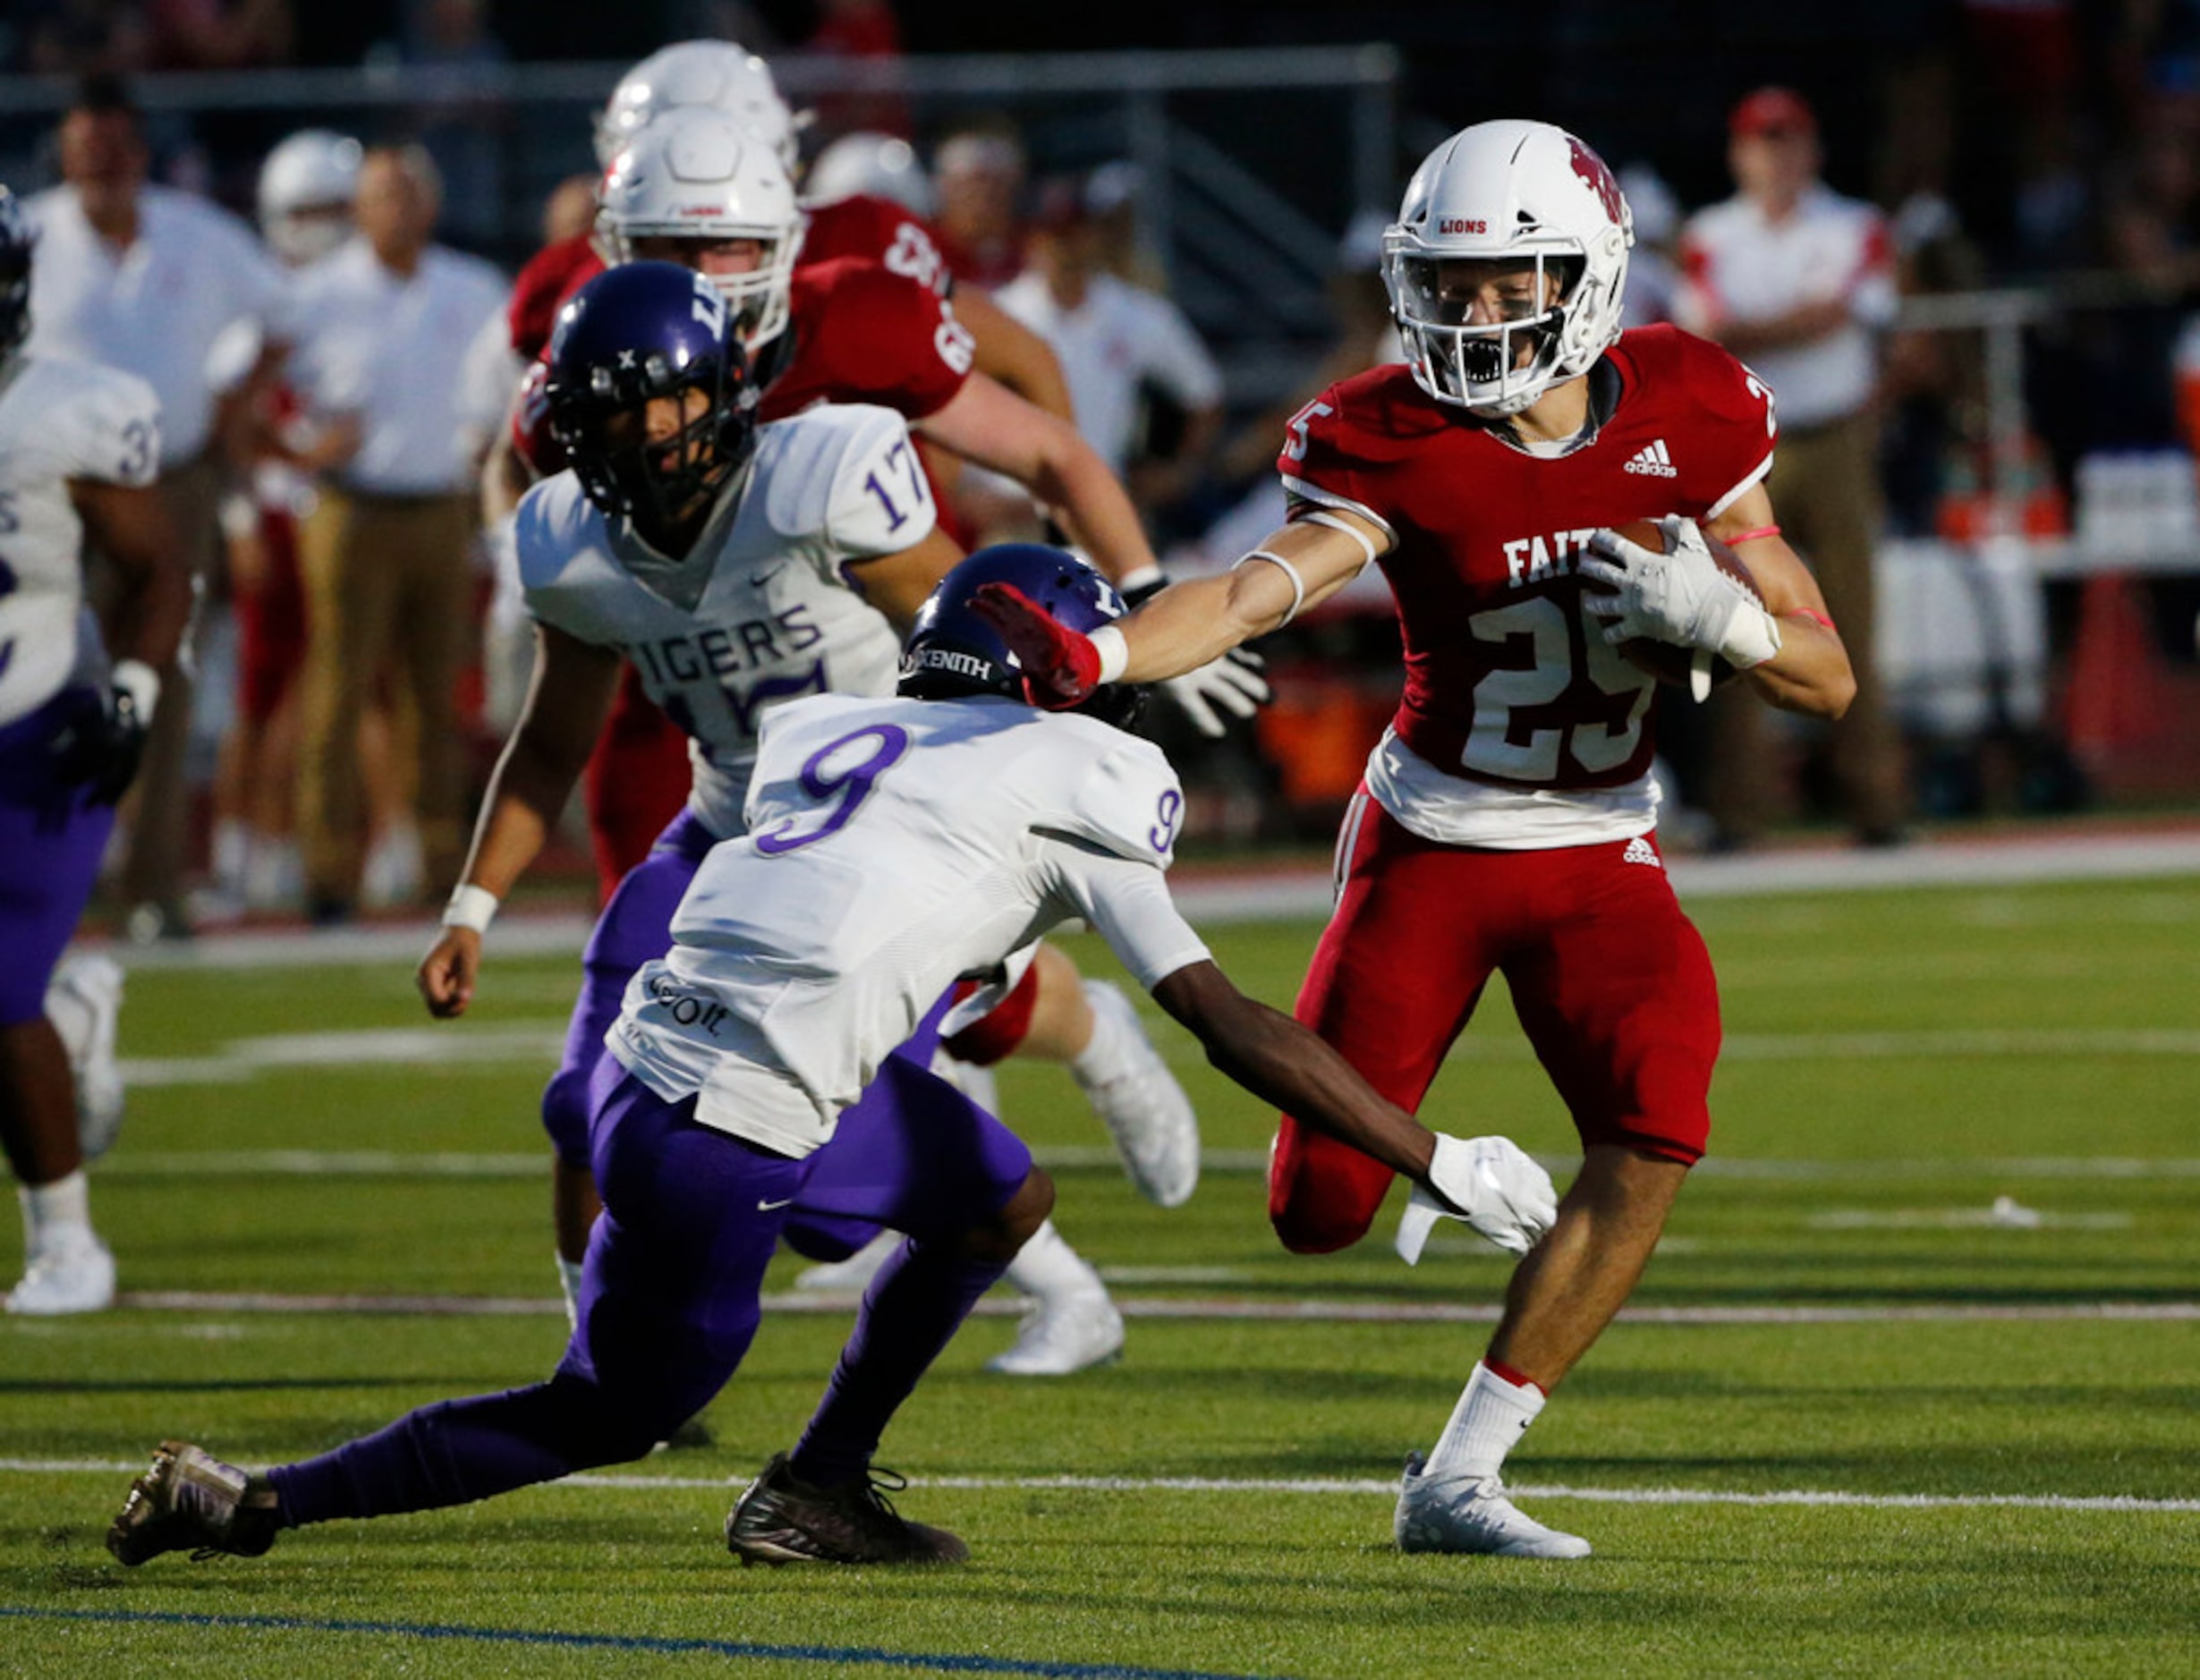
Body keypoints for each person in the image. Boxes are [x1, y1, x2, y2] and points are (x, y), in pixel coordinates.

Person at [106, 542, 1558, 1569]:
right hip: (726, 1127)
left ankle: (824, 1479)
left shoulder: (829, 726)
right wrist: (1430, 1149)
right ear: (1059, 668)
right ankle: (258, 1504)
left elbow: (867, 908)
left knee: (995, 1190)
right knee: (610, 1407)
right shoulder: (1080, 770)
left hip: (634, 1074)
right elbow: (1221, 1011)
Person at [971, 120, 1858, 1557]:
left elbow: (1826, 680)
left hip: (1597, 844)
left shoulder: (1689, 403)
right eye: (1447, 286)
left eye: (1507, 283)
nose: (1471, 315)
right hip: (1431, 839)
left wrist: (1733, 621)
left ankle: (1460, 1473)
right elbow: (1259, 587)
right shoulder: (1384, 432)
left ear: (1584, 274)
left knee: (1656, 1115)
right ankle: (1408, 1193)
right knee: (1314, 1210)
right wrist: (1101, 656)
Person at [493, 105, 1257, 1376]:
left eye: (726, 240)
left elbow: (1047, 431)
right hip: (699, 718)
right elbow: (520, 485)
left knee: (843, 1019)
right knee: (680, 1039)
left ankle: (1066, 1080)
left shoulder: (857, 308)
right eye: (669, 237)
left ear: (783, 229)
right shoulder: (604, 361)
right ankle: (610, 1345)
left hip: (884, 683)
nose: (701, 268)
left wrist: (1120, 612)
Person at [24, 72, 288, 942]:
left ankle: (152, 886)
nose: (101, 159)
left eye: (116, 144)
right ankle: (42, 882)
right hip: (51, 484)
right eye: (86, 144)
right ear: (64, 150)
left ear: (140, 151)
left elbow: (282, 315)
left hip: (171, 476)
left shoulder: (197, 235)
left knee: (162, 684)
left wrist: (232, 402)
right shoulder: (27, 230)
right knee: (44, 682)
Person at [0, 186, 190, 1314]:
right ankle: (71, 1018)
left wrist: (129, 688)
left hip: (42, 725)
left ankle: (70, 1244)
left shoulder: (61, 412)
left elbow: (160, 569)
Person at [1674, 87, 1907, 849]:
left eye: (1787, 141)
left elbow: (1833, 316)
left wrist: (1750, 332)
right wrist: (1776, 330)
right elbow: (1703, 329)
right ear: (1740, 153)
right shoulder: (1712, 232)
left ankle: (1874, 806)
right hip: (1747, 454)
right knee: (1733, 628)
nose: (1775, 157)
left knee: (1850, 626)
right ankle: (1739, 812)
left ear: (1811, 149)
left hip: (1831, 436)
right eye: (1761, 142)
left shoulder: (1852, 224)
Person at [283, 143, 505, 921]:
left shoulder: (472, 288)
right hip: (350, 508)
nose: (398, 208)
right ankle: (327, 870)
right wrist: (297, 457)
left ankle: (442, 863)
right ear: (359, 208)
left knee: (436, 698)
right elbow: (241, 389)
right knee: (336, 692)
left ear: (431, 206)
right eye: (384, 195)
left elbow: (513, 391)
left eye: (410, 193)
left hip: (442, 506)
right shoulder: (313, 294)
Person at [995, 177, 1224, 531]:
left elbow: (1204, 392)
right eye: (1057, 235)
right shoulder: (1000, 314)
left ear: (1094, 238)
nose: (1068, 248)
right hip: (1013, 506)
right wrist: (964, 492)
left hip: (1100, 505)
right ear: (1033, 240)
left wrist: (1179, 471)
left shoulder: (1133, 312)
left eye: (1077, 234)